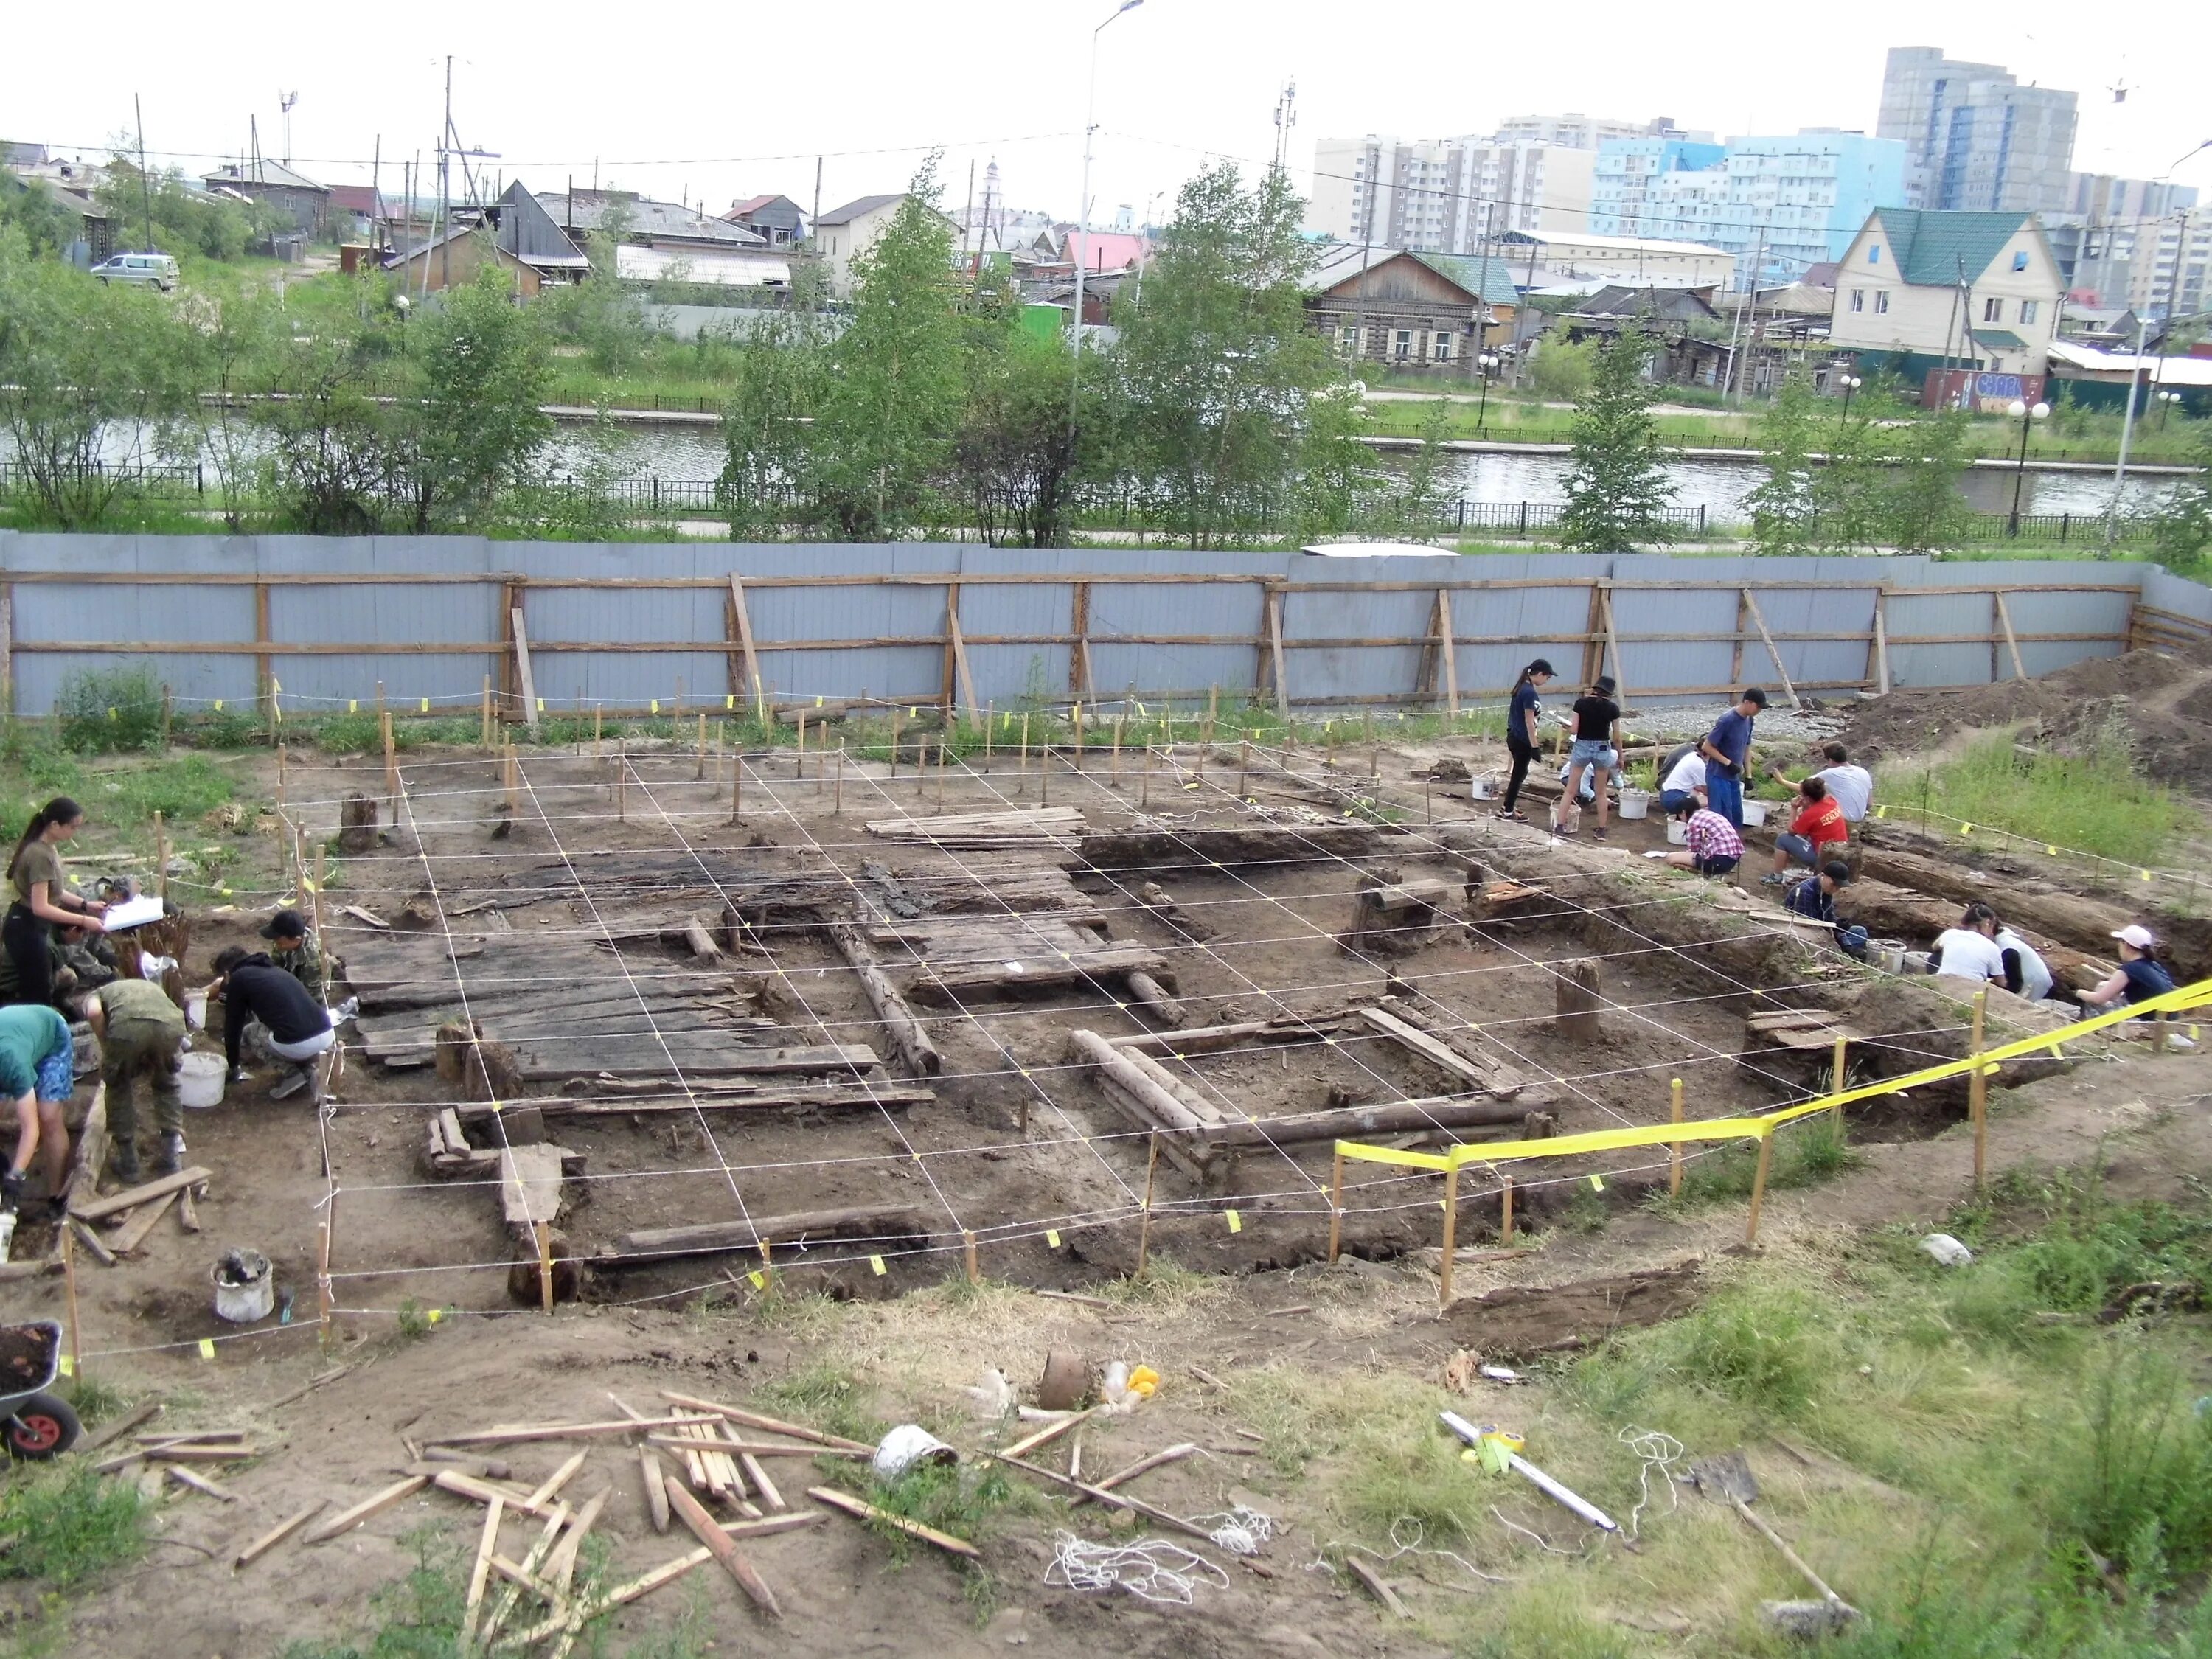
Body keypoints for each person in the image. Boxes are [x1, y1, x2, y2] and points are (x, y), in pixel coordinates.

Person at [3, 799, 106, 1012]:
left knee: (45, 982)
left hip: (33, 925)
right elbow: (41, 906)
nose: (75, 832)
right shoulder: (39, 855)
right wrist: (84, 920)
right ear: (54, 825)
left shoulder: (48, 849)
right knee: (37, 993)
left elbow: (55, 892)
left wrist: (86, 904)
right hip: (26, 927)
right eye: (72, 826)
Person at [88, 978, 187, 1183]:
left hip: (128, 1028)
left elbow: (94, 1013)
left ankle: (130, 1164)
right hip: (171, 1025)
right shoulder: (149, 987)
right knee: (167, 1083)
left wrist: (107, 1046)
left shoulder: (96, 994)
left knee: (118, 1086)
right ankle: (171, 1158)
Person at [209, 945, 335, 1102]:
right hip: (326, 1035)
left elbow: (233, 1026)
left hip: (298, 1043)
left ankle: (292, 1074)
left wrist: (233, 1066)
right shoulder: (275, 971)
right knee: (279, 1029)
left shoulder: (238, 978)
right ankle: (309, 1072)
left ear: (227, 974)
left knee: (249, 1033)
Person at [0, 1001, 74, 1218]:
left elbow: (31, 1128)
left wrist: (16, 1175)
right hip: (19, 1033)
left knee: (48, 1117)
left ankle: (56, 1197)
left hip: (51, 1035)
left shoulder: (13, 1066)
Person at [2081, 925, 2189, 1045]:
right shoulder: (2154, 966)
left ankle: (2092, 1031)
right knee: (2104, 987)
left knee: (2091, 1000)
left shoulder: (2129, 969)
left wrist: (2079, 992)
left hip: (2149, 1022)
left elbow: (2099, 999)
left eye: (2120, 942)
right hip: (2169, 1019)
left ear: (2126, 945)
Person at [1557, 675, 1624, 841]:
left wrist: (1566, 727)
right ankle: (1601, 830)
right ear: (1610, 692)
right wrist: (1621, 757)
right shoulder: (1613, 708)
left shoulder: (1581, 704)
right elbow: (1616, 737)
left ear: (1595, 688)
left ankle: (1559, 826)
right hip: (1602, 748)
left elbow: (1574, 730)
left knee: (1570, 790)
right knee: (1601, 792)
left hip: (1582, 746)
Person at [1495, 658, 1554, 822]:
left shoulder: (1522, 688)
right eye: (1547, 677)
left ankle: (1509, 805)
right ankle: (1508, 811)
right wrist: (1534, 746)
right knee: (1518, 774)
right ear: (1540, 674)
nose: (1546, 681)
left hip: (1514, 735)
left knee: (1521, 773)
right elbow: (1529, 721)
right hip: (1522, 739)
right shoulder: (1529, 692)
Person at [1699, 689, 1767, 828]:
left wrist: (1748, 775)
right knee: (1720, 817)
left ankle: (1733, 845)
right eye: (1758, 707)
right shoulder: (1727, 720)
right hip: (1718, 775)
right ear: (1747, 702)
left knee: (1736, 815)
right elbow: (1707, 746)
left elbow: (1746, 747)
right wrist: (1728, 763)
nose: (1759, 710)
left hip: (1734, 776)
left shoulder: (1749, 720)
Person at [1764, 776, 1848, 884]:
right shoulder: (1831, 800)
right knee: (1808, 836)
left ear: (1808, 799)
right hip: (1842, 851)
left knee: (1783, 839)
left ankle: (1777, 876)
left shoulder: (1811, 814)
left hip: (1824, 858)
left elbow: (1791, 831)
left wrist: (1794, 808)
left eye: (1801, 795)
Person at [1771, 742, 1873, 825]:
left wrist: (1782, 781)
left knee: (1811, 799)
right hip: (1859, 822)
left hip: (1841, 821)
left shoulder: (1831, 773)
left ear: (1831, 760)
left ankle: (1802, 832)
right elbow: (1869, 804)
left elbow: (1805, 787)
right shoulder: (1864, 772)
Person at [1782, 860, 1868, 957]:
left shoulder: (1826, 892)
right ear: (1823, 876)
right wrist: (1838, 935)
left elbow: (1829, 918)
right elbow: (1811, 925)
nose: (1836, 888)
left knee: (1860, 932)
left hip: (1823, 929)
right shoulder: (1806, 891)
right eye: (1834, 884)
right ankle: (1839, 951)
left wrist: (1839, 924)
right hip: (1807, 934)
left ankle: (1845, 951)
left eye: (1839, 886)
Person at [1927, 902, 2007, 986]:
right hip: (1973, 989)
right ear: (1987, 923)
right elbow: (2001, 983)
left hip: (1943, 984)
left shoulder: (1950, 934)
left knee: (1938, 953)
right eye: (1993, 926)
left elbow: (1935, 947)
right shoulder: (1992, 948)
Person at [1664, 800, 1743, 879]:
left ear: (1683, 812)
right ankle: (1714, 873)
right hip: (1732, 861)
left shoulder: (1693, 821)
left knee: (1670, 858)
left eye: (1679, 816)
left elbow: (1693, 851)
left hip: (1718, 861)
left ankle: (1705, 875)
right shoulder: (1708, 814)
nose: (1680, 819)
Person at [260, 909, 329, 998]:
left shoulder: (313, 962)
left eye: (279, 943)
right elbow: (275, 963)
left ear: (296, 940)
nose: (276, 945)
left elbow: (311, 997)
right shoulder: (285, 939)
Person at [1989, 918, 2054, 1002]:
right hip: (2029, 984)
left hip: (2034, 989)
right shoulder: (2004, 942)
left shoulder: (2007, 948)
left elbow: (2014, 986)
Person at [1658, 746, 1707, 816]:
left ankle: (1679, 813)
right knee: (1711, 800)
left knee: (1696, 793)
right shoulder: (1699, 765)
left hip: (1665, 794)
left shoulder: (1692, 755)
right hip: (1673, 800)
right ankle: (1681, 813)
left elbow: (1697, 786)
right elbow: (1707, 791)